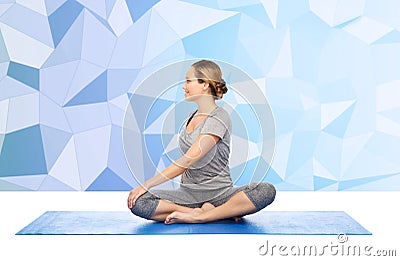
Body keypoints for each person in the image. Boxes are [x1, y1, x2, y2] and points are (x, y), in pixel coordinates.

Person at [127, 60, 276, 224]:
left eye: (188, 81)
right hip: (188, 194)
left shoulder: (219, 117)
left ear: (205, 84)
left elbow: (188, 160)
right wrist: (145, 191)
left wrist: (146, 185)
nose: (184, 86)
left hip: (221, 194)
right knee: (140, 202)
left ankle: (204, 216)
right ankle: (203, 213)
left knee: (265, 191)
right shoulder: (190, 117)